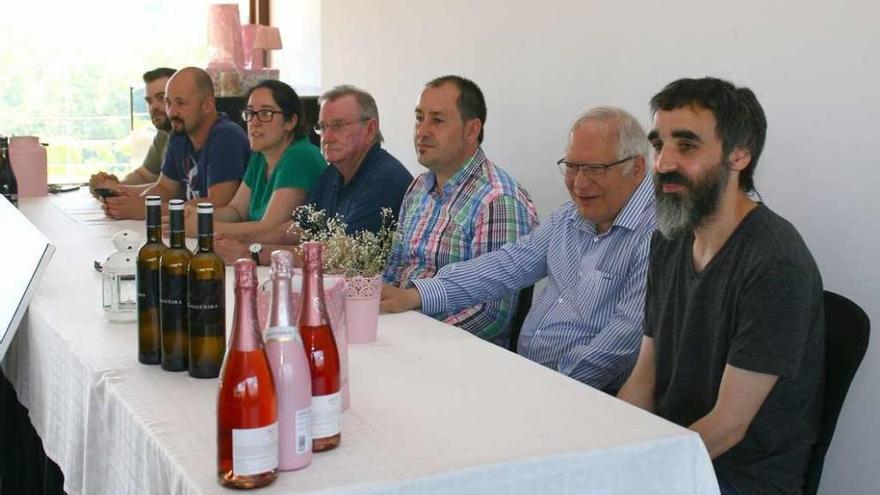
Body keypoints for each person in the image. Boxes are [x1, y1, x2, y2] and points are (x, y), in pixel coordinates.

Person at [617, 77, 824, 495]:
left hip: (738, 478)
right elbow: (645, 377)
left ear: (739, 154)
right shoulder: (669, 237)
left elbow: (727, 427)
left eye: (687, 146)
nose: (663, 164)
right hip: (677, 448)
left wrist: (636, 475)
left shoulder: (775, 263)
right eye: (660, 145)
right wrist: (604, 451)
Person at [381, 107, 654, 391]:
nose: (580, 183)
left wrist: (547, 385)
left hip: (586, 395)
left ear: (635, 169)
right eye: (572, 167)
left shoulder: (655, 235)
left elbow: (623, 340)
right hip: (529, 377)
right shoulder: (569, 216)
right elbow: (507, 265)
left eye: (594, 170)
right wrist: (417, 294)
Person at [382, 75, 538, 348]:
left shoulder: (497, 200)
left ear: (471, 130)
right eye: (419, 118)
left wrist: (417, 342)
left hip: (457, 354)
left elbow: (491, 316)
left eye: (437, 120)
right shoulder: (418, 187)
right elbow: (394, 271)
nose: (422, 130)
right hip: (402, 335)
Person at [214, 84, 412, 265]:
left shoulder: (384, 180)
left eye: (338, 125)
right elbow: (296, 230)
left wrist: (249, 253)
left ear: (370, 130)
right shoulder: (333, 173)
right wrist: (231, 241)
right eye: (323, 127)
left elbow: (337, 255)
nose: (327, 137)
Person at [181, 79, 326, 237]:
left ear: (291, 121)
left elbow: (269, 229)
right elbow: (236, 211)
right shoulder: (260, 154)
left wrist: (205, 228)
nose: (254, 122)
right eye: (250, 113)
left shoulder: (300, 156)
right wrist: (196, 216)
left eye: (266, 113)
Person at [103, 66, 250, 219]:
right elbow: (165, 188)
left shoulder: (226, 136)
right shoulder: (180, 134)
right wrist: (130, 203)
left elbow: (219, 203)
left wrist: (149, 210)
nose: (172, 112)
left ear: (207, 105)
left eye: (181, 103)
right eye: (168, 103)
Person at [89, 67, 175, 194]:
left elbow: (171, 190)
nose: (154, 107)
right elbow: (144, 176)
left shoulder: (192, 135)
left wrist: (118, 189)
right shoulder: (163, 135)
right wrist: (110, 185)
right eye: (149, 101)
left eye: (161, 98)